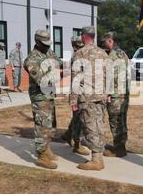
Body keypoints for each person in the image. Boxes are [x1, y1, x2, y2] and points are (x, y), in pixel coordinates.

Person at [70, 26, 109, 171]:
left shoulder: (79, 54)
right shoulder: (103, 53)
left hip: (87, 97)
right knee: (98, 126)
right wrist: (108, 94)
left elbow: (75, 79)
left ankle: (97, 160)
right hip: (100, 96)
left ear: (84, 36)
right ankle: (98, 156)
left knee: (90, 127)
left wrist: (73, 100)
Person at [24, 30, 62, 169]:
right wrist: (58, 75)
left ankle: (47, 149)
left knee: (50, 123)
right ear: (37, 42)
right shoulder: (32, 60)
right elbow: (41, 80)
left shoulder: (48, 52)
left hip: (49, 93)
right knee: (42, 125)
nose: (47, 46)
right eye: (44, 43)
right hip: (39, 96)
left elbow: (59, 62)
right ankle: (41, 155)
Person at [61, 34, 90, 156]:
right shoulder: (77, 58)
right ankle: (77, 145)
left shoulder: (79, 56)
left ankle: (68, 135)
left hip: (82, 91)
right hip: (77, 92)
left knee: (78, 117)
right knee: (80, 119)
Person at [102, 32, 130, 158]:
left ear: (110, 41)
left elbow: (109, 76)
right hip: (124, 94)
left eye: (105, 41)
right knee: (122, 120)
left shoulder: (112, 56)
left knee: (115, 121)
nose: (103, 44)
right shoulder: (123, 54)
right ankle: (121, 146)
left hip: (115, 95)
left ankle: (118, 149)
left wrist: (107, 93)